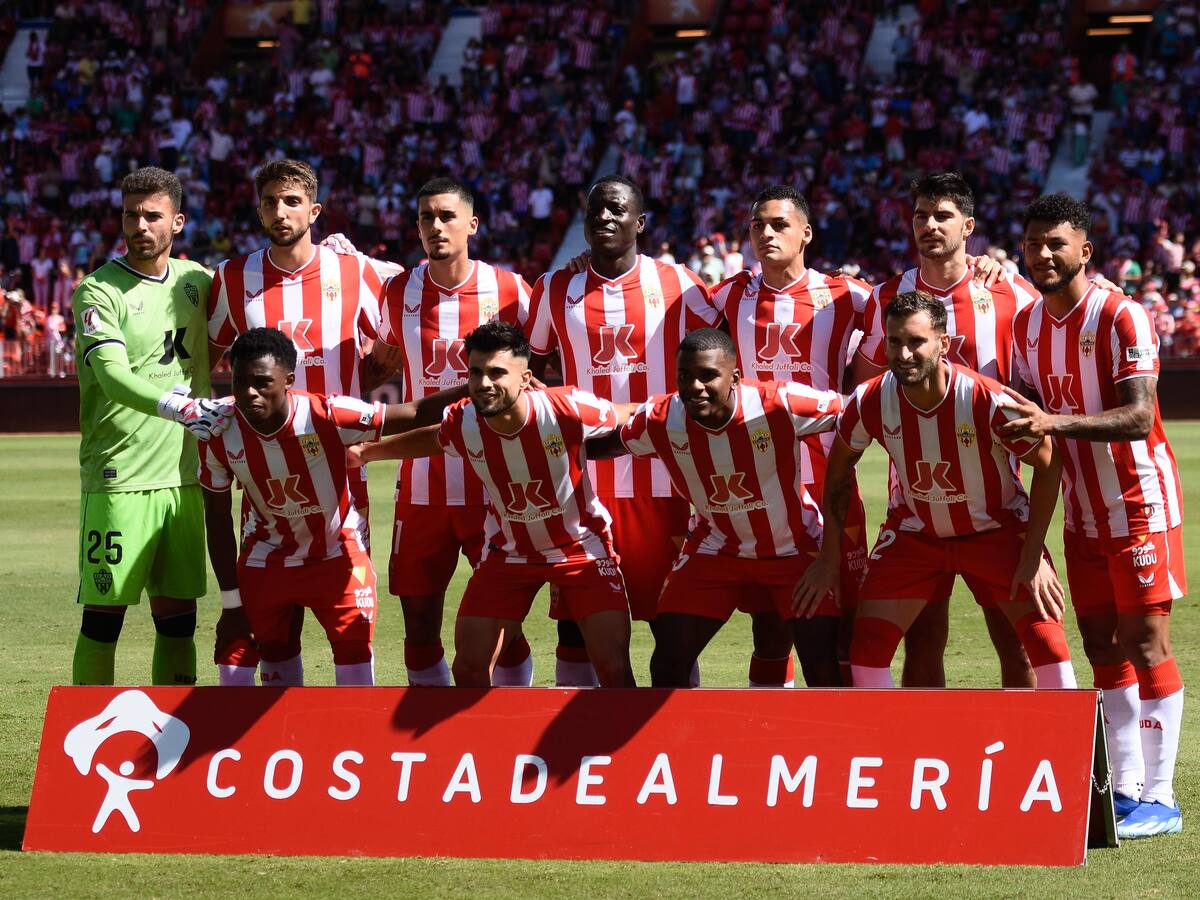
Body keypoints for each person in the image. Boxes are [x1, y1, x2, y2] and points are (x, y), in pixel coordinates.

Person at [1003, 193, 1186, 839]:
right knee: (1101, 643)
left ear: (1085, 249)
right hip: (1081, 512)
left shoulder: (1121, 314)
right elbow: (1026, 414)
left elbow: (1137, 416)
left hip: (1139, 504)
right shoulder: (1025, 325)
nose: (1043, 255)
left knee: (1145, 642)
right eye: (1033, 244)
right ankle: (1127, 788)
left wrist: (1053, 422)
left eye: (1056, 243)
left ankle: (1162, 797)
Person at [796, 291, 1076, 691]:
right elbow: (838, 473)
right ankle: (891, 733)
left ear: (943, 343)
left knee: (1044, 644)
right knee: (868, 646)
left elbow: (1049, 463)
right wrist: (829, 558)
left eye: (916, 342)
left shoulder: (986, 399)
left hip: (996, 531)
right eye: (895, 341)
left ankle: (1063, 732)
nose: (903, 354)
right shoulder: (870, 399)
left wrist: (1033, 556)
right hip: (916, 535)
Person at [353, 321, 637, 688]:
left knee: (614, 670)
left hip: (579, 549)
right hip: (510, 553)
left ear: (526, 378)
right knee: (469, 668)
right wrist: (368, 453)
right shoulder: (465, 419)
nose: (484, 383)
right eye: (476, 372)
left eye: (497, 373)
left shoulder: (566, 407)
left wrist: (678, 412)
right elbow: (434, 438)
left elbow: (627, 413)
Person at [207, 158, 395, 685]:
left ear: (315, 210)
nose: (280, 211)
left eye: (292, 201)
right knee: (275, 623)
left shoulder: (355, 271)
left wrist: (372, 371)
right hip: (264, 466)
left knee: (349, 616)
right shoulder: (232, 277)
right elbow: (208, 352)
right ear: (258, 210)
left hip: (341, 464)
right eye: (270, 202)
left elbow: (398, 333)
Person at [524, 175, 713, 686]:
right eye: (596, 211)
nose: (605, 217)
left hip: (663, 484)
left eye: (616, 209)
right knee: (576, 628)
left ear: (640, 222)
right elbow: (530, 370)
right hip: (581, 486)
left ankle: (673, 725)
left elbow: (721, 349)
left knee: (671, 627)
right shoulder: (554, 288)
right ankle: (580, 728)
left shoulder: (679, 285)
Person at [857, 173, 1041, 689]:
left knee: (1015, 639)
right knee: (923, 638)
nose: (930, 225)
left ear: (969, 226)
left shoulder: (1008, 291)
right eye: (921, 215)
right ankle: (923, 740)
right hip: (917, 504)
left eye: (943, 215)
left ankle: (1023, 740)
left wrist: (1106, 286)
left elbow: (1059, 322)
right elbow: (865, 392)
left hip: (997, 503)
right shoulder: (887, 296)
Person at [200, 327, 460, 686]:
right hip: (266, 558)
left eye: (262, 383)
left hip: (337, 555)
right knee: (243, 664)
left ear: (289, 380)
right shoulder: (217, 430)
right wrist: (231, 605)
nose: (249, 393)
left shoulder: (327, 414)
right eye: (239, 382)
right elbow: (216, 518)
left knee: (355, 671)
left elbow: (415, 412)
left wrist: (477, 389)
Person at [588, 328, 844, 687]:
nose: (695, 386)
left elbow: (858, 410)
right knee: (668, 663)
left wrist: (829, 561)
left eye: (708, 375)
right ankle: (680, 727)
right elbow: (606, 444)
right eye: (685, 376)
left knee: (823, 669)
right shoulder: (662, 419)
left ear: (735, 377)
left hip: (794, 548)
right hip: (715, 549)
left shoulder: (780, 403)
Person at [369, 176, 535, 687]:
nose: (436, 226)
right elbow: (382, 359)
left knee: (504, 626)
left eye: (446, 216)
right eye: (426, 217)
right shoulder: (398, 291)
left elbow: (539, 370)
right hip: (422, 486)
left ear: (472, 224)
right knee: (418, 627)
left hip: (492, 485)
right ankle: (434, 723)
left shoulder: (510, 290)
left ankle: (509, 720)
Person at [708, 185, 874, 685]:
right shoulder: (727, 295)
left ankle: (846, 725)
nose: (766, 233)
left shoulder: (847, 295)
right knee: (770, 625)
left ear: (806, 233)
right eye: (757, 225)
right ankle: (770, 723)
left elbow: (915, 303)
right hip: (758, 481)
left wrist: (982, 266)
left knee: (846, 616)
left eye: (779, 224)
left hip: (830, 476)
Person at [71, 166, 229, 687]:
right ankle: (86, 734)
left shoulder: (196, 281)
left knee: (179, 619)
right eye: (130, 215)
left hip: (184, 478)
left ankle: (174, 734)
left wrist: (332, 260)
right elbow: (112, 376)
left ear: (177, 221)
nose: (140, 225)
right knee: (103, 618)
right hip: (119, 477)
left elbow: (254, 301)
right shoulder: (98, 291)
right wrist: (175, 406)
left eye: (152, 215)